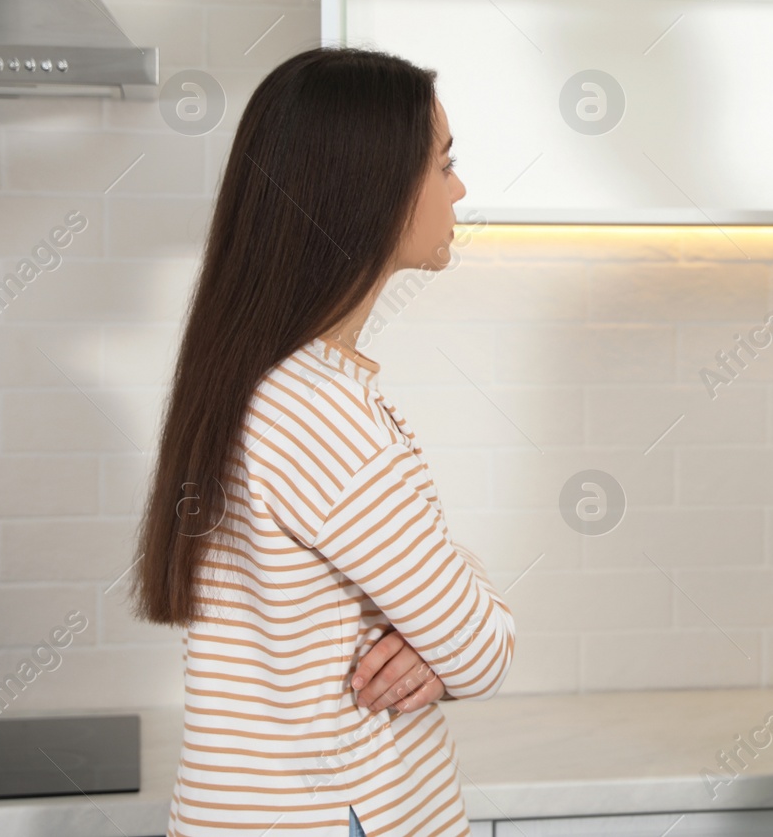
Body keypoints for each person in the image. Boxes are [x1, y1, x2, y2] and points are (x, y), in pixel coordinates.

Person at [133, 47, 515, 837]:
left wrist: (435, 623)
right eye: (444, 164)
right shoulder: (319, 414)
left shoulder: (265, 379)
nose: (461, 189)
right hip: (333, 813)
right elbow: (481, 649)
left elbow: (443, 605)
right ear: (372, 192)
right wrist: (451, 624)